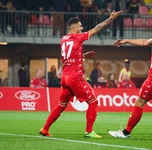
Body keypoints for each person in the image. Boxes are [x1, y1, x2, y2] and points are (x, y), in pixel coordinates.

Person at [39, 10, 123, 138]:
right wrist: (110, 19)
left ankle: (45, 129)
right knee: (93, 102)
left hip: (65, 77)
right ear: (74, 29)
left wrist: (82, 56)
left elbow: (68, 56)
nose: (82, 28)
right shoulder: (78, 37)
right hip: (74, 77)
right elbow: (97, 28)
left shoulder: (64, 39)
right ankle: (89, 131)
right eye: (80, 26)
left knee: (61, 105)